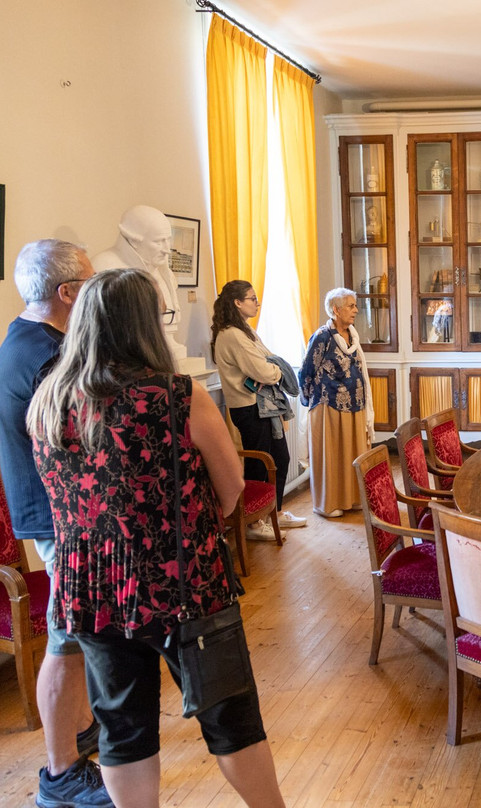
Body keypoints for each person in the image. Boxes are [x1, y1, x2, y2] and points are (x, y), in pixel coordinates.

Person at [27, 268, 286, 808]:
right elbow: (233, 485)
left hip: (94, 588)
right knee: (231, 718)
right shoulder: (176, 396)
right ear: (143, 323)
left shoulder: (48, 400)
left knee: (123, 730)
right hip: (184, 579)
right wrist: (192, 520)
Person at [0, 239, 113, 808]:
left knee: (81, 634)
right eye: (90, 282)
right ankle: (60, 774)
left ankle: (79, 732)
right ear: (68, 292)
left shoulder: (31, 339)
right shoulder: (42, 355)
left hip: (57, 511)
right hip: (58, 514)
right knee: (66, 640)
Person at [210, 280, 306, 538]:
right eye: (252, 298)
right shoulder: (231, 334)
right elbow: (265, 369)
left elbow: (269, 359)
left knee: (280, 459)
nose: (256, 303)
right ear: (237, 302)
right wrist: (275, 370)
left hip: (263, 405)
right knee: (259, 465)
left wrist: (272, 368)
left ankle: (272, 513)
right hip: (249, 408)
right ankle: (254, 523)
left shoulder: (245, 331)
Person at [298, 288, 375, 517]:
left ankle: (352, 498)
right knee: (331, 456)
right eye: (350, 306)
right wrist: (311, 400)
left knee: (353, 452)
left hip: (355, 404)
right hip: (329, 404)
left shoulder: (352, 334)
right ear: (335, 310)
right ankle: (328, 503)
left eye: (355, 305)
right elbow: (305, 371)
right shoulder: (322, 336)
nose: (355, 310)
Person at [91, 205, 187, 363]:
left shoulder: (165, 273)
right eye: (158, 242)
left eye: (168, 240)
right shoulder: (104, 267)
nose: (167, 249)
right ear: (134, 241)